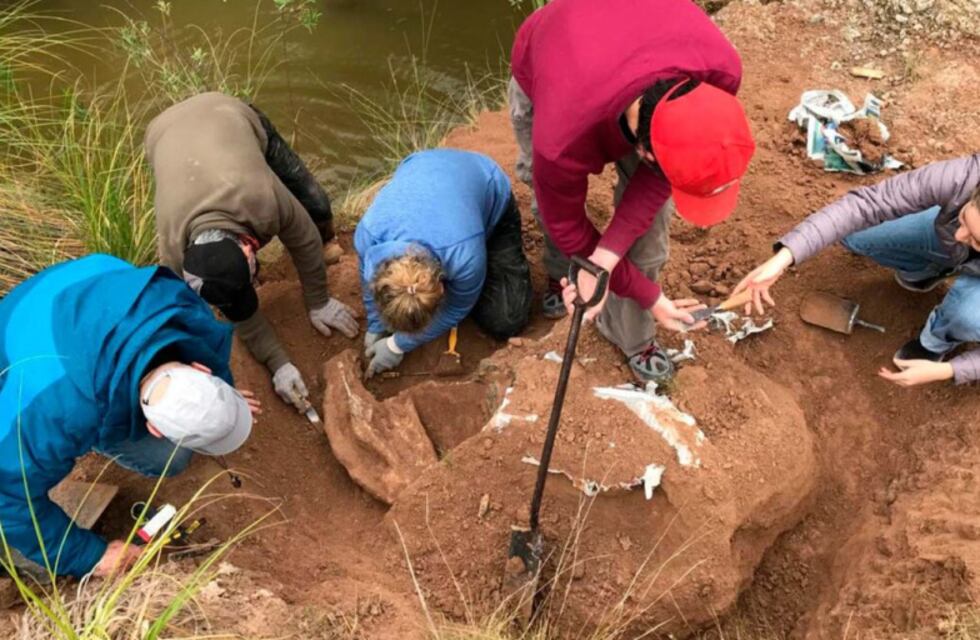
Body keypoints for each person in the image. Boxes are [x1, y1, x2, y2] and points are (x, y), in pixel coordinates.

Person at [509, 0, 755, 383]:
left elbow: (656, 182)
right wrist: (596, 268)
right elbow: (567, 225)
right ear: (644, 153)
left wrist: (611, 264)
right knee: (550, 203)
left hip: (626, 60)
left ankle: (631, 336)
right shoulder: (560, 139)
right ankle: (562, 273)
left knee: (649, 232)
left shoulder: (720, 72)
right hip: (553, 60)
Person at [0, 255, 260, 579]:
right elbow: (8, 494)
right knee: (169, 458)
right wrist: (91, 557)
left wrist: (222, 401)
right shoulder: (55, 414)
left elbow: (208, 353)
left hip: (65, 296)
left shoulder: (181, 307)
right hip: (20, 350)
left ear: (201, 369)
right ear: (153, 427)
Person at [145, 92, 359, 413]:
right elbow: (237, 311)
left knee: (314, 201)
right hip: (162, 134)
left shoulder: (261, 198)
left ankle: (329, 237)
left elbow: (302, 239)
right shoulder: (174, 255)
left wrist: (319, 302)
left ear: (249, 250)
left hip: (227, 113)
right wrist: (279, 364)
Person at [734, 154, 980, 387]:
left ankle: (935, 341)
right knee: (858, 232)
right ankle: (930, 269)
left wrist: (949, 371)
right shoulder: (963, 177)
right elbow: (865, 205)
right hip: (955, 249)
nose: (959, 235)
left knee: (966, 316)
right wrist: (783, 258)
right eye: (963, 219)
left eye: (976, 239)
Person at [355, 149, 532, 378]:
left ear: (441, 286)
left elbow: (457, 306)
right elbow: (368, 285)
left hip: (484, 182)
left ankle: (489, 241)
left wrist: (397, 345)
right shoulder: (369, 236)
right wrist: (375, 325)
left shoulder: (464, 254)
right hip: (423, 168)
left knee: (505, 320)